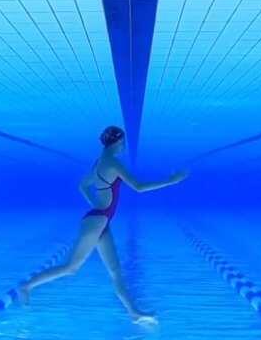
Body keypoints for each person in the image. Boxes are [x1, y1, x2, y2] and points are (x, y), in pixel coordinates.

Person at [19, 126, 189, 324]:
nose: (124, 146)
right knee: (71, 267)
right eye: (123, 142)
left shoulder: (99, 163)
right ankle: (27, 286)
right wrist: (171, 181)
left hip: (100, 219)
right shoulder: (113, 164)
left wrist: (97, 207)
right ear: (117, 142)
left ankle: (134, 312)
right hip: (98, 220)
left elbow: (83, 185)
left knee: (116, 271)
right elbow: (139, 187)